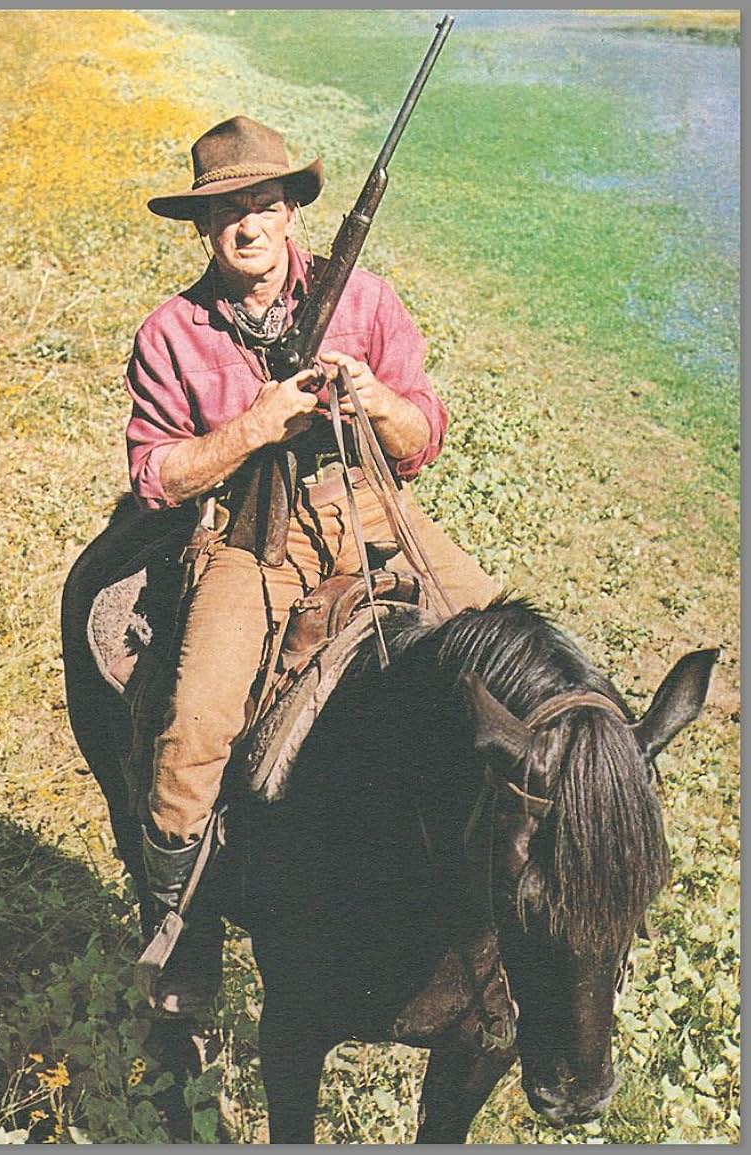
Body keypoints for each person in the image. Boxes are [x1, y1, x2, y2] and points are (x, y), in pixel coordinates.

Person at [125, 115, 500, 1014]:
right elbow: (154, 476)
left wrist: (374, 400)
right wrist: (251, 428)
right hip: (253, 535)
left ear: (293, 209)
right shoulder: (170, 333)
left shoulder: (364, 300)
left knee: (505, 647)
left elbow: (423, 438)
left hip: (369, 508)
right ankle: (180, 925)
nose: (249, 226)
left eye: (264, 203)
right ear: (202, 230)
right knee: (195, 724)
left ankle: (519, 901)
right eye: (227, 212)